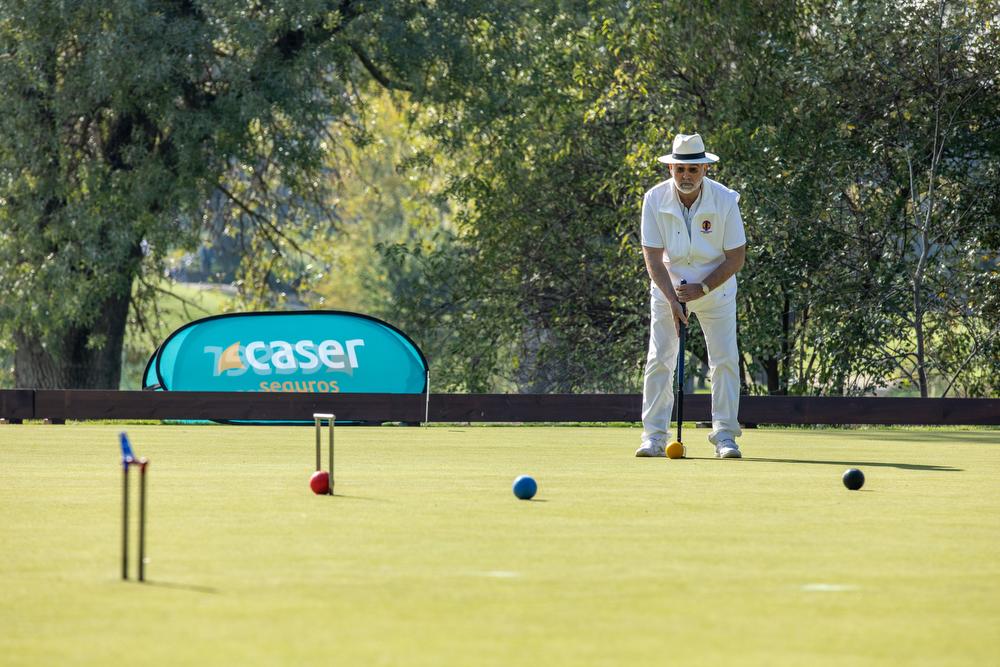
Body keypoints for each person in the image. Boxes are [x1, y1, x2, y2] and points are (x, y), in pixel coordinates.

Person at [636, 133, 747, 459]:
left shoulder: (725, 201)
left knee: (725, 360)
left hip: (717, 292)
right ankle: (654, 437)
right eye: (680, 169)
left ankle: (725, 436)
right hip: (668, 291)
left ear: (704, 170)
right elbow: (653, 258)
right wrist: (672, 299)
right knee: (660, 360)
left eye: (693, 170)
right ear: (671, 167)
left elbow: (736, 257)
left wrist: (704, 288)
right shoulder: (654, 199)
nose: (686, 176)